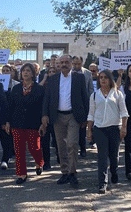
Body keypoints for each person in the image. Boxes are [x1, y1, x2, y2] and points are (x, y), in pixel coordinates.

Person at [40, 54, 89, 188]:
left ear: (71, 63)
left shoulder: (79, 77)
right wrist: (44, 115)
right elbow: (47, 98)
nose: (64, 64)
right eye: (61, 62)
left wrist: (86, 117)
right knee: (60, 146)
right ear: (58, 64)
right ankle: (65, 172)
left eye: (66, 62)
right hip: (57, 117)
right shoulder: (53, 79)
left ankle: (72, 172)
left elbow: (85, 97)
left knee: (72, 144)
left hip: (74, 116)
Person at [87, 70, 129, 194]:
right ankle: (102, 183)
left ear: (110, 79)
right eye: (101, 78)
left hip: (114, 128)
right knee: (102, 156)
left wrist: (124, 127)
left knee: (114, 156)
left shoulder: (117, 94)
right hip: (100, 129)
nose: (103, 80)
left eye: (106, 77)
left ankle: (114, 172)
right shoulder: (94, 95)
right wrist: (89, 130)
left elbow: (124, 112)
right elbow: (91, 114)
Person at [6, 63, 46, 184]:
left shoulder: (39, 89)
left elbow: (42, 107)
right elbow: (11, 106)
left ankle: (39, 163)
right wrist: (7, 121)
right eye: (23, 71)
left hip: (33, 124)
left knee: (34, 148)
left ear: (33, 73)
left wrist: (42, 124)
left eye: (28, 71)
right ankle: (21, 174)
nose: (25, 73)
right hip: (17, 124)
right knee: (19, 150)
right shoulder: (16, 88)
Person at [72, 55, 94, 158]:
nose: (76, 66)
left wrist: (89, 104)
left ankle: (83, 148)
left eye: (78, 64)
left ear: (82, 63)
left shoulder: (87, 73)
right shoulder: (69, 73)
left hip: (83, 104)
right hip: (71, 105)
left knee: (82, 129)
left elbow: (90, 90)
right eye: (75, 64)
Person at [0, 64, 20, 169]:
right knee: (4, 138)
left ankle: (10, 156)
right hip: (2, 116)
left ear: (12, 72)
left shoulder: (17, 85)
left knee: (13, 137)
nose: (6, 72)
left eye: (8, 70)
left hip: (14, 116)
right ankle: (5, 158)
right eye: (4, 70)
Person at [38, 65, 59, 169]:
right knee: (45, 141)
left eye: (53, 71)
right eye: (49, 72)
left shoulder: (59, 83)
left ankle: (60, 158)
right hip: (44, 116)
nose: (51, 73)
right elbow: (38, 89)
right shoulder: (43, 85)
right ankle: (47, 162)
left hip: (56, 117)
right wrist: (45, 78)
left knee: (57, 140)